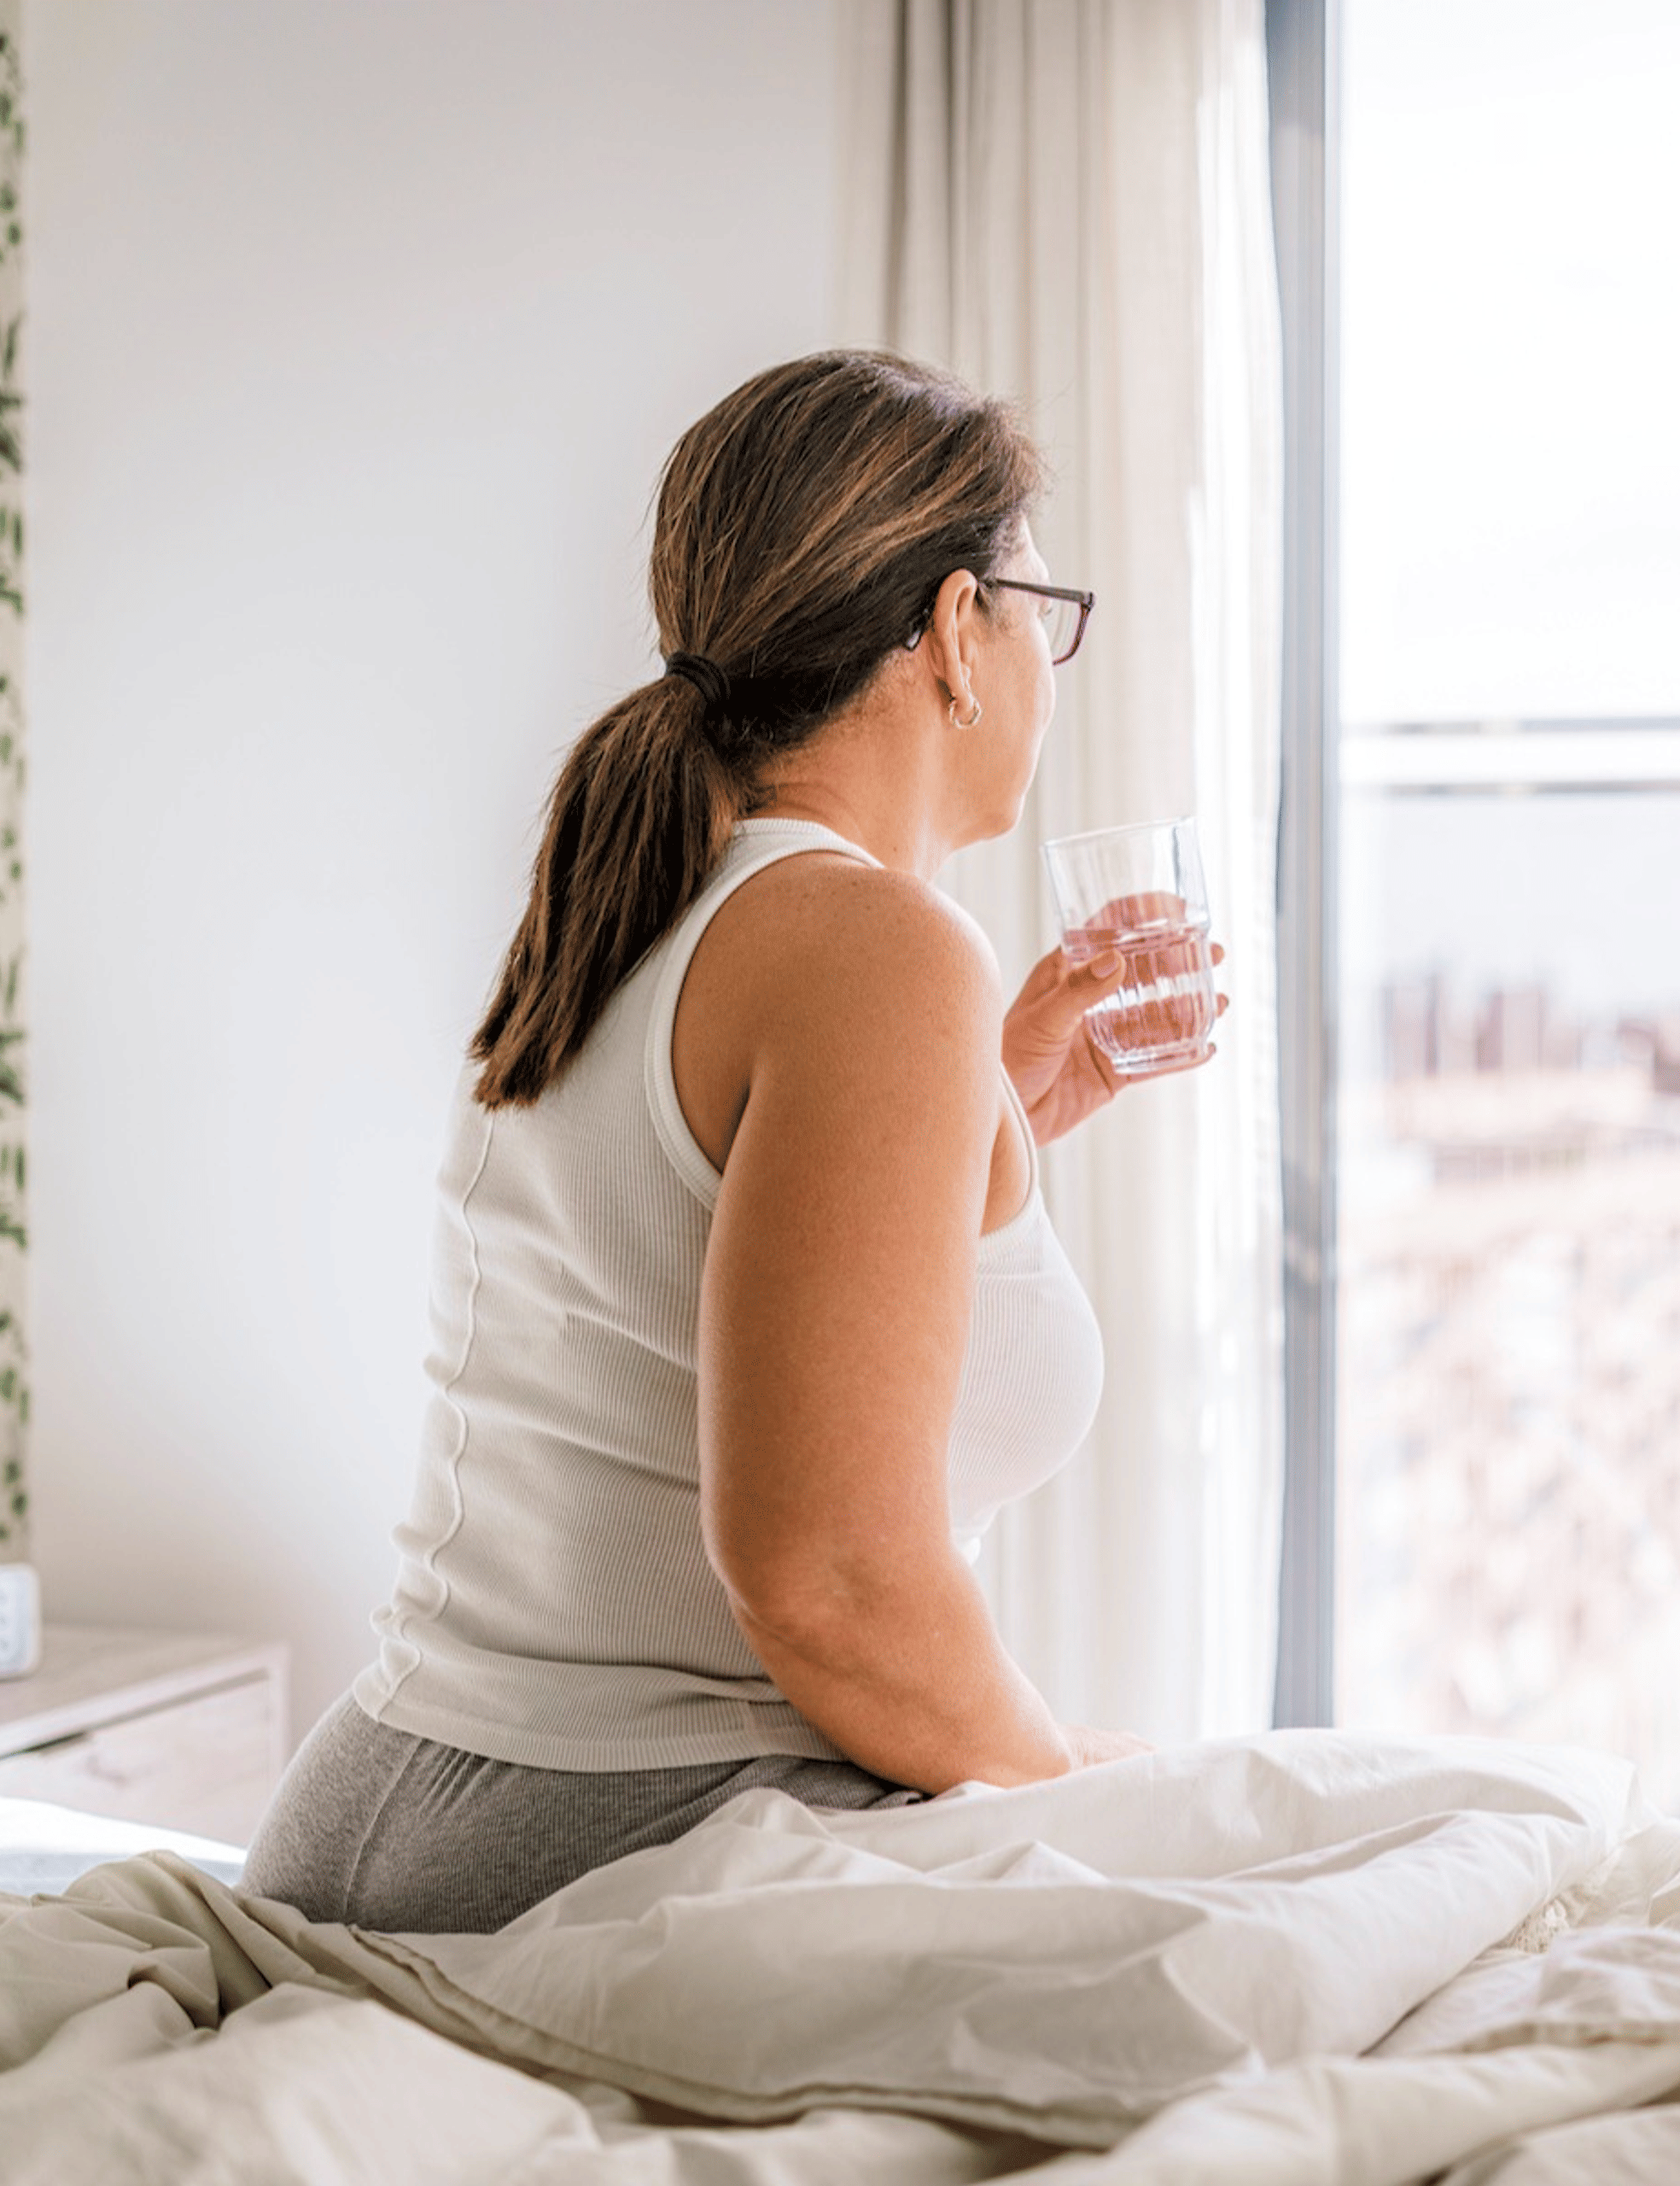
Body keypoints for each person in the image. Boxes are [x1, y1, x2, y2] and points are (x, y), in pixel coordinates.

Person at [243, 350, 1210, 1933]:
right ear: (959, 633)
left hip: (396, 1797)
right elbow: (828, 1582)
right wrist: (1078, 1785)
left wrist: (995, 1120)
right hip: (613, 1844)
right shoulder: (877, 945)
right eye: (1047, 613)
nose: (1051, 661)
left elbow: (679, 1267)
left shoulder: (650, 899)